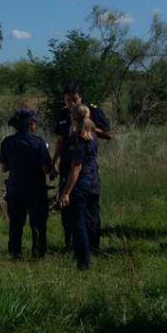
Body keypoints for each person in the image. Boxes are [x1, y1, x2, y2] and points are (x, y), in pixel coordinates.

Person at [52, 83, 113, 253]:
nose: (71, 104)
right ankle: (71, 244)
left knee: (90, 208)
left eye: (75, 100)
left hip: (86, 166)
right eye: (68, 100)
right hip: (66, 165)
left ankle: (93, 246)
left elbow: (109, 134)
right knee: (66, 205)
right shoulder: (63, 114)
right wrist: (53, 162)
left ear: (80, 98)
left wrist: (90, 127)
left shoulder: (92, 112)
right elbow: (60, 141)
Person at [0, 108, 51, 259]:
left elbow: (3, 167)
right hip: (35, 187)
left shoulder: (7, 142)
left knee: (16, 222)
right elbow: (46, 169)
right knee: (38, 222)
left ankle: (15, 252)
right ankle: (38, 252)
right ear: (31, 124)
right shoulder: (39, 143)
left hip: (15, 187)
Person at [58, 105, 100, 270]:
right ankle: (90, 251)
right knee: (90, 219)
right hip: (93, 183)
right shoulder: (92, 137)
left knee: (79, 223)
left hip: (80, 185)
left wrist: (66, 192)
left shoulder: (78, 140)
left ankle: (83, 262)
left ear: (73, 120)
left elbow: (76, 167)